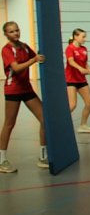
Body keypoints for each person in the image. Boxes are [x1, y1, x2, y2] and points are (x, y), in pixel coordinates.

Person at [1, 21, 48, 172]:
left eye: (17, 30)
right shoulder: (6, 50)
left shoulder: (25, 47)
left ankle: (43, 156)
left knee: (44, 119)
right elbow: (16, 67)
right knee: (9, 124)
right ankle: (2, 160)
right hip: (13, 89)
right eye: (11, 31)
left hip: (26, 89)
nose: (15, 33)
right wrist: (34, 60)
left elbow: (38, 57)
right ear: (6, 34)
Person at [65, 28, 90, 133]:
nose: (85, 39)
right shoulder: (70, 48)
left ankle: (83, 125)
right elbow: (71, 62)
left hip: (81, 80)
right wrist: (80, 68)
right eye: (83, 37)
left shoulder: (84, 49)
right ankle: (58, 122)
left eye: (85, 37)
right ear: (75, 36)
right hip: (71, 80)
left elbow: (85, 63)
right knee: (72, 105)